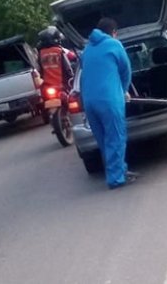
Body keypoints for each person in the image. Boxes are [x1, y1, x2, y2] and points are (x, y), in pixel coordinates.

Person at [80, 18, 136, 189]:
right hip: (109, 100)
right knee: (116, 138)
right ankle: (116, 179)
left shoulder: (86, 50)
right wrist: (124, 90)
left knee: (104, 139)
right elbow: (125, 70)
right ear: (114, 32)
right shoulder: (114, 44)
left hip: (89, 101)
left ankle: (120, 169)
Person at [37, 26, 75, 92]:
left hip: (48, 86)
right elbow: (68, 68)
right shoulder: (59, 51)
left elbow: (40, 70)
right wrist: (72, 78)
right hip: (63, 85)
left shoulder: (41, 53)